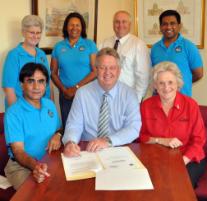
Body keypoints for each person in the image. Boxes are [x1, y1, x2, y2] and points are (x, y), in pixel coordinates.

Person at [63, 47, 141, 157]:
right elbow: (74, 125)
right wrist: (70, 142)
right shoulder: (82, 93)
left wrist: (107, 141)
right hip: (88, 149)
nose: (107, 72)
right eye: (102, 67)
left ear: (119, 71)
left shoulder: (129, 94)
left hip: (118, 148)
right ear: (96, 69)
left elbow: (133, 128)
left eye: (112, 68)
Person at [139, 61, 206, 188]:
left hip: (189, 158)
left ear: (178, 84)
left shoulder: (190, 105)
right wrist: (160, 140)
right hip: (158, 159)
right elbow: (140, 137)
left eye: (170, 82)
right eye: (161, 83)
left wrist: (183, 161)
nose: (166, 87)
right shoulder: (146, 106)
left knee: (178, 186)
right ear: (155, 86)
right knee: (149, 186)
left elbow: (199, 140)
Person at [4, 63, 62, 190]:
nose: (36, 87)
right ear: (21, 85)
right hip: (21, 167)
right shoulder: (13, 113)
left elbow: (59, 128)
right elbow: (18, 151)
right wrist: (36, 166)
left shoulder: (49, 105)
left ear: (46, 85)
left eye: (41, 81)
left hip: (51, 161)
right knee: (39, 193)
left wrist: (57, 135)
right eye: (31, 81)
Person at [51, 12, 97, 129]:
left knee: (88, 128)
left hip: (87, 93)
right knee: (69, 127)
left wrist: (76, 88)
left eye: (78, 25)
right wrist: (64, 90)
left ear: (82, 28)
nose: (74, 28)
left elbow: (95, 71)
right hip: (66, 95)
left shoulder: (89, 44)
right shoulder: (58, 47)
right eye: (71, 25)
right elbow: (53, 73)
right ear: (66, 27)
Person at [2, 15, 52, 110]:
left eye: (38, 33)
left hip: (42, 108)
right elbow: (9, 89)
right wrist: (17, 114)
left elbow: (48, 83)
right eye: (32, 32)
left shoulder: (42, 54)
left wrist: (50, 107)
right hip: (22, 109)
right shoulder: (14, 55)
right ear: (23, 32)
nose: (35, 36)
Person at [99, 10, 151, 102]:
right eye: (117, 22)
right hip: (105, 97)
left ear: (130, 24)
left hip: (127, 98)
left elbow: (143, 77)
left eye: (124, 22)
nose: (120, 25)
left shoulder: (138, 45)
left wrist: (136, 100)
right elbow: (99, 69)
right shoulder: (104, 43)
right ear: (113, 24)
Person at [151, 10, 203, 97]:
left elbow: (199, 74)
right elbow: (154, 74)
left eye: (172, 23)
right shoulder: (155, 48)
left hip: (182, 99)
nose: (168, 27)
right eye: (164, 24)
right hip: (159, 99)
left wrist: (180, 83)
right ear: (160, 27)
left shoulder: (189, 46)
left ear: (179, 26)